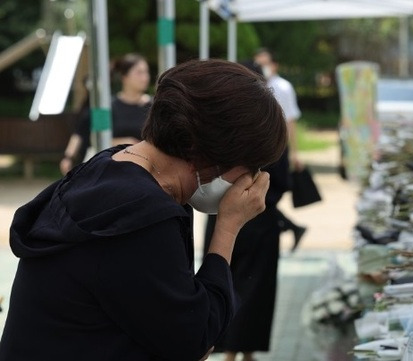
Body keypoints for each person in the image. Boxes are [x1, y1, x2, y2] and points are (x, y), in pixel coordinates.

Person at [0, 59, 288, 361]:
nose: (253, 181)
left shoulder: (108, 167)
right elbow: (196, 342)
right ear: (214, 153)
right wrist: (228, 226)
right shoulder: (142, 216)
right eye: (251, 168)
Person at [203, 60, 290, 361]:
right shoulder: (271, 128)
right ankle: (237, 350)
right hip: (251, 220)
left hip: (237, 220)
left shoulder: (219, 128)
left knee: (234, 285)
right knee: (244, 290)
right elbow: (282, 181)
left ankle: (235, 350)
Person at [59, 53, 152, 175]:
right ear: (125, 77)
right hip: (111, 170)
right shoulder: (108, 107)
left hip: (144, 170)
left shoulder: (153, 106)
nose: (145, 77)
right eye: (139, 73)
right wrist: (68, 157)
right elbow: (87, 133)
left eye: (146, 72)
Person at [253, 48, 307, 251]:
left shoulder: (282, 88)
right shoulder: (254, 86)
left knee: (269, 196)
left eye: (265, 63)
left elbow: (290, 121)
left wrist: (294, 151)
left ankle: (290, 226)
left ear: (274, 65)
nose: (262, 68)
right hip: (261, 149)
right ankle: (291, 226)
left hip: (277, 149)